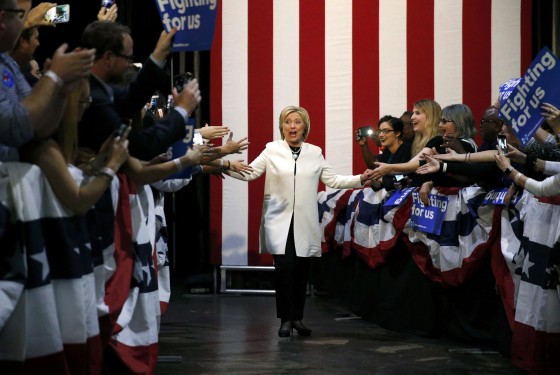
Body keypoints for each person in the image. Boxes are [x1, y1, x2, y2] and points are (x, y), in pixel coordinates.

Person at [225, 106, 374, 338]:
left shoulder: (315, 152)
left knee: (302, 272)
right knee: (284, 270)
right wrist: (223, 165)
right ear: (281, 126)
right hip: (278, 222)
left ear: (305, 127)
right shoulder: (271, 150)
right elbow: (251, 173)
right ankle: (285, 320)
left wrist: (360, 179)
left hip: (304, 223)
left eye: (297, 122)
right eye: (287, 122)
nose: (292, 126)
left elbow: (333, 180)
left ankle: (297, 318)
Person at [78, 21, 201, 160]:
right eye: (128, 58)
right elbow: (140, 146)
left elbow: (131, 98)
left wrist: (159, 54)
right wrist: (181, 111)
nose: (130, 65)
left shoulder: (97, 86)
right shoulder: (93, 96)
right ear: (108, 57)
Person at [0, 0, 95, 161]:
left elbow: (39, 130)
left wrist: (61, 92)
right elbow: (14, 128)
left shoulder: (6, 63)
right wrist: (54, 76)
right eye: (21, 15)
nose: (25, 21)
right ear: (3, 18)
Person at [355, 115, 412, 190]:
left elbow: (405, 177)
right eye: (380, 131)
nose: (381, 135)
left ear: (397, 133)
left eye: (386, 131)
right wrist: (373, 178)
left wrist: (382, 179)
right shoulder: (387, 152)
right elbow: (373, 165)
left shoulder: (408, 150)